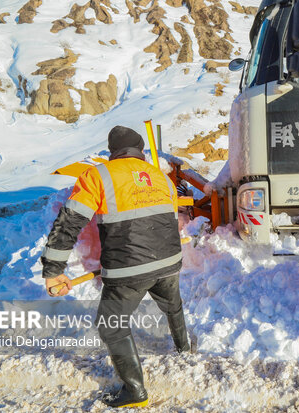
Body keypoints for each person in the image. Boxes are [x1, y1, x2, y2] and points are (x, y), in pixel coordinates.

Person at [41, 126, 189, 408]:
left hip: (128, 272)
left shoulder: (98, 176)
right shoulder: (161, 177)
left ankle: (134, 391)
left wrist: (53, 269)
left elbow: (70, 222)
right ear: (140, 151)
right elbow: (166, 222)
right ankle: (184, 349)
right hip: (170, 262)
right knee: (173, 305)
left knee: (111, 326)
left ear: (113, 151)